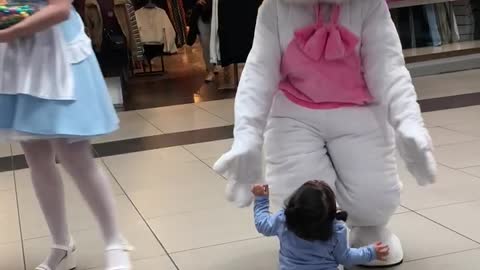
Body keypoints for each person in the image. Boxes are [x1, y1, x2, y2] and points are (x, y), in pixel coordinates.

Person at [214, 0, 437, 267]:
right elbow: (259, 72)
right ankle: (311, 242)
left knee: (374, 197)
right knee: (298, 193)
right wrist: (247, 135)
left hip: (359, 110)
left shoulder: (369, 7)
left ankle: (367, 228)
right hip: (294, 111)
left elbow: (388, 68)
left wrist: (409, 122)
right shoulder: (274, 9)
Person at [0, 1, 131, 270]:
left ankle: (114, 241)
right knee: (35, 156)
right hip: (19, 54)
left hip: (58, 49)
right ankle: (61, 245)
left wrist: (7, 28)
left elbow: (59, 8)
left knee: (75, 156)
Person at [252, 181, 389, 270]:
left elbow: (262, 224)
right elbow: (345, 258)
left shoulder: (284, 219)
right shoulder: (336, 229)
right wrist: (371, 252)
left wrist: (261, 200)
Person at [186, 0, 215, 82]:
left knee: (218, 41)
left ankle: (214, 64)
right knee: (206, 43)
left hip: (218, 10)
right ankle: (210, 70)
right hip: (203, 12)